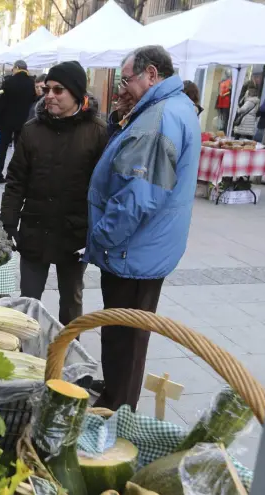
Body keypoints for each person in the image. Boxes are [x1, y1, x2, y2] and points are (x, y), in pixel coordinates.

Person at [86, 45, 201, 411]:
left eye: (127, 79)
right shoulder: (171, 108)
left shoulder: (160, 118)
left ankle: (116, 410)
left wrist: (102, 236)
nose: (123, 88)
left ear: (152, 75)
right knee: (127, 337)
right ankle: (118, 397)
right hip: (145, 249)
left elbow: (138, 197)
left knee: (124, 337)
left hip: (132, 251)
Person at [0, 61, 108, 326]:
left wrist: (96, 231)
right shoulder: (31, 130)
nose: (49, 95)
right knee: (29, 299)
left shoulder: (97, 132)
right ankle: (26, 351)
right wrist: (8, 222)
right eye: (47, 89)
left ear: (77, 94)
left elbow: (104, 188)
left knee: (71, 299)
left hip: (75, 234)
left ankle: (68, 351)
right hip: (35, 229)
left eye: (58, 90)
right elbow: (15, 181)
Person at [0, 60, 36, 184]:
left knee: (2, 149)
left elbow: (1, 103)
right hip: (23, 121)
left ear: (16, 68)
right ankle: (15, 175)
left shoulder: (8, 82)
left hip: (6, 121)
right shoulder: (31, 83)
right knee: (19, 150)